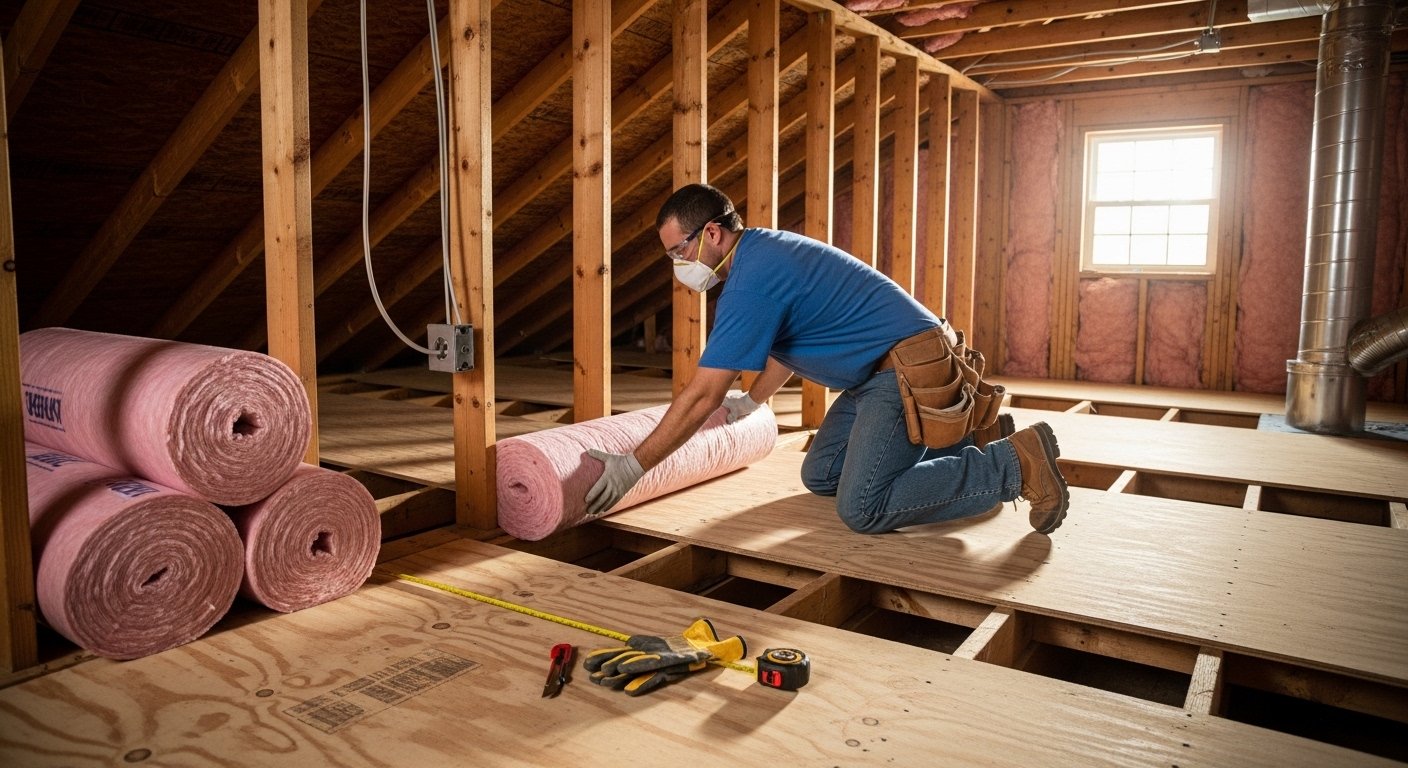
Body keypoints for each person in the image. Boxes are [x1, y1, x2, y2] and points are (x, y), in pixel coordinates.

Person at [584, 183, 1069, 535]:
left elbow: (702, 394)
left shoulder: (752, 279)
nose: (678, 266)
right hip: (887, 372)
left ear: (711, 233)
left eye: (678, 251)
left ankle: (1014, 466)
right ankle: (970, 438)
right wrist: (753, 402)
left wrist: (634, 465)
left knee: (863, 507)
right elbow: (791, 348)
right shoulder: (761, 255)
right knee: (821, 475)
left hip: (904, 373)